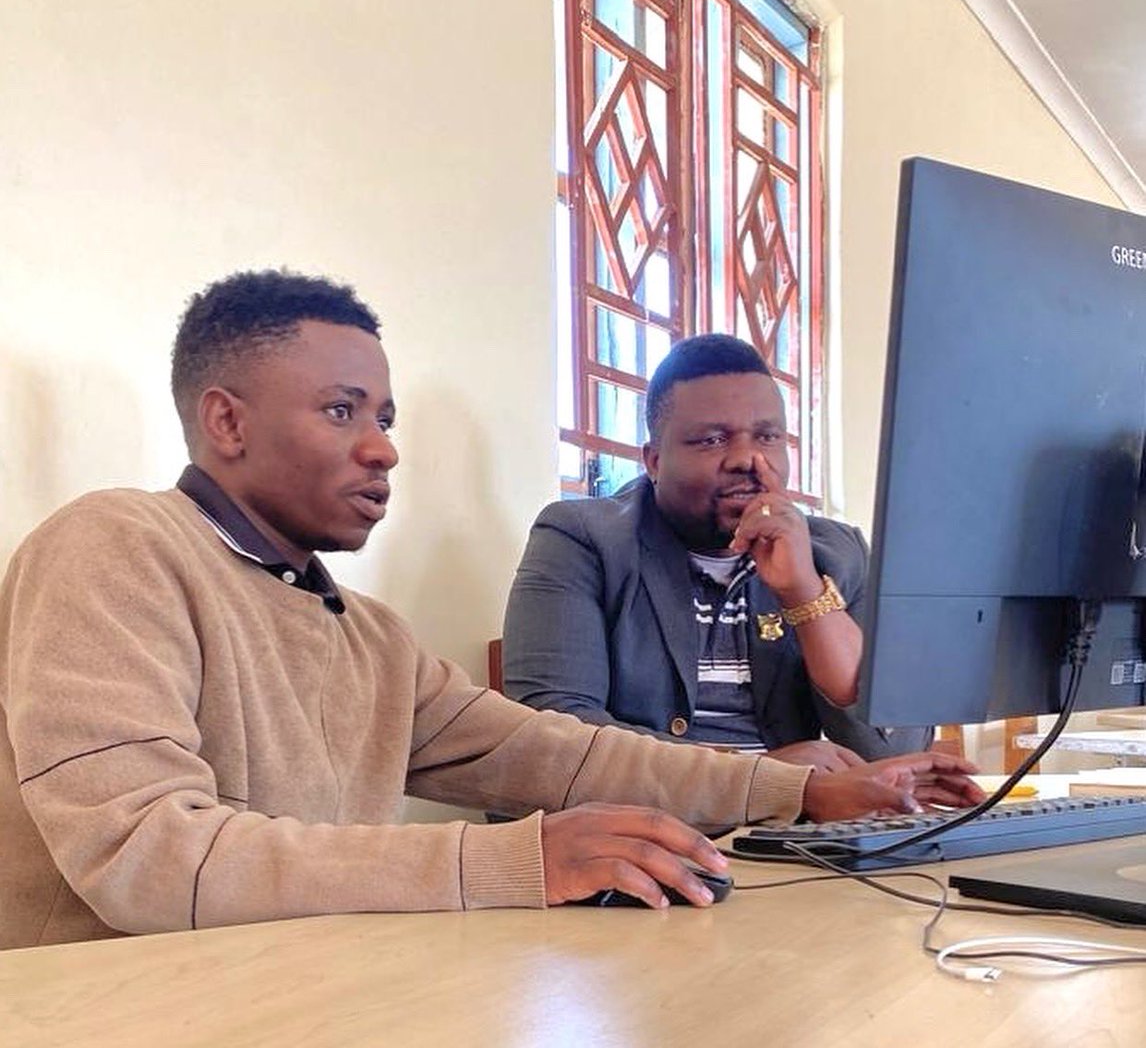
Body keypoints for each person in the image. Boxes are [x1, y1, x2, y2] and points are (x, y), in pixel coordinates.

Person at [0, 272, 982, 951]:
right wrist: (518, 860)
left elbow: (563, 754)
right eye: (343, 411)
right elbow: (146, 857)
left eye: (384, 418)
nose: (383, 449)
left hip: (294, 990)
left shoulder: (366, 634)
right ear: (226, 421)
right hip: (108, 1005)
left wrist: (802, 796)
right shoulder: (117, 547)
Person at [503, 334, 931, 769]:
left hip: (796, 831)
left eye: (767, 437)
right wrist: (762, 779)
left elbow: (895, 757)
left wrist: (806, 595)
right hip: (636, 827)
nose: (746, 459)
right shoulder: (582, 539)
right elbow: (554, 735)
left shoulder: (836, 555)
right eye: (711, 440)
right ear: (653, 461)